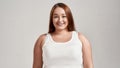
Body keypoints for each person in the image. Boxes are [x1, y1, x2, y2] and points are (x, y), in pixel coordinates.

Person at [33, 3, 94, 68]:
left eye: (64, 16)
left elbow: (89, 66)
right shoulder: (42, 40)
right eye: (56, 16)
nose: (60, 20)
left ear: (69, 18)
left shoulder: (81, 39)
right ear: (51, 19)